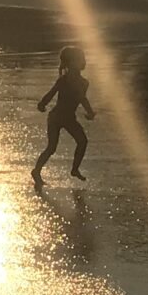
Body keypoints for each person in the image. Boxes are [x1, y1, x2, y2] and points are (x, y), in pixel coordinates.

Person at [31, 45, 96, 189]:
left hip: (68, 118)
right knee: (51, 147)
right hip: (56, 117)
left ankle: (74, 169)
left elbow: (82, 98)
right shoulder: (64, 80)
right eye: (79, 59)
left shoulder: (84, 82)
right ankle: (36, 171)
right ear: (70, 63)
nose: (83, 61)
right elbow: (52, 93)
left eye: (82, 59)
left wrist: (90, 112)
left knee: (82, 141)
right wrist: (42, 103)